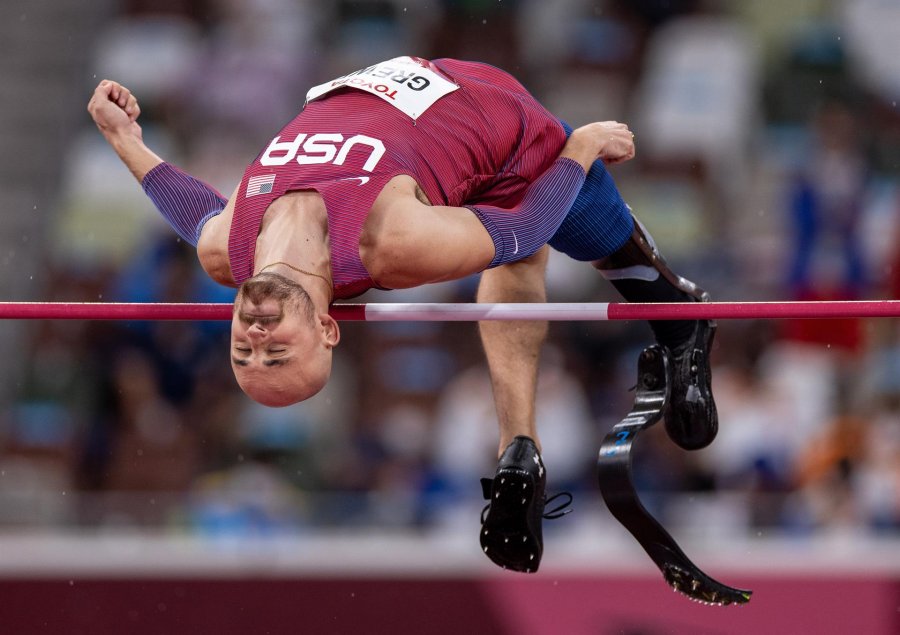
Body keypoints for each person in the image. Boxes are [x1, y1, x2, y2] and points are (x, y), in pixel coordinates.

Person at [88, 55, 717, 573]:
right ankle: (541, 431)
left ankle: (632, 359)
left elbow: (193, 209)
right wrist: (579, 147)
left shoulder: (225, 249)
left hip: (386, 83)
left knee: (529, 256)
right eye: (276, 350)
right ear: (327, 328)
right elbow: (524, 230)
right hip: (499, 125)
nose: (256, 335)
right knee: (564, 246)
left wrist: (125, 141)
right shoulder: (389, 244)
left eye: (244, 350)